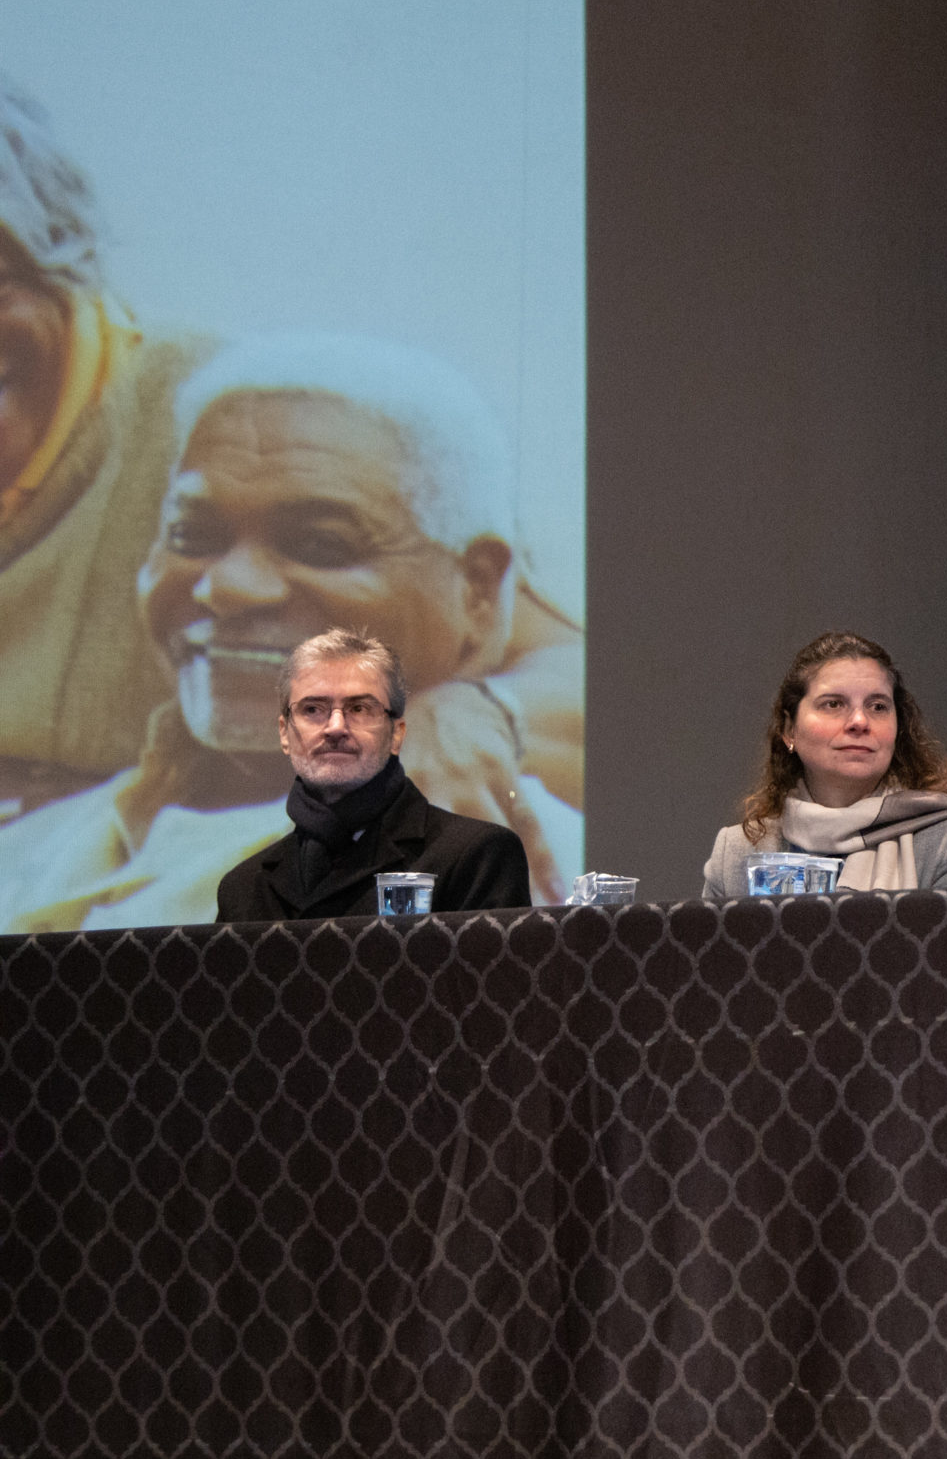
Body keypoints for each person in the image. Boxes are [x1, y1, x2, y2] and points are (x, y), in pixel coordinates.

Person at [0, 335, 581, 931]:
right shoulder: (36, 848)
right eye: (192, 535)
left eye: (319, 544)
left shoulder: (492, 860)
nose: (227, 587)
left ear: (477, 592)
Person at [0, 72, 215, 818]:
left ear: (57, 260)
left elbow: (527, 655)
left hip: (171, 886)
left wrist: (475, 713)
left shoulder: (224, 411)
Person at [216, 630, 530, 920]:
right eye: (313, 709)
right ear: (285, 733)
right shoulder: (242, 887)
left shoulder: (477, 857)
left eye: (359, 709)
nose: (335, 727)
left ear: (397, 734)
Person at [702, 632, 947, 895]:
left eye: (877, 706)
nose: (859, 721)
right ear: (789, 730)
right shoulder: (737, 852)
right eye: (833, 704)